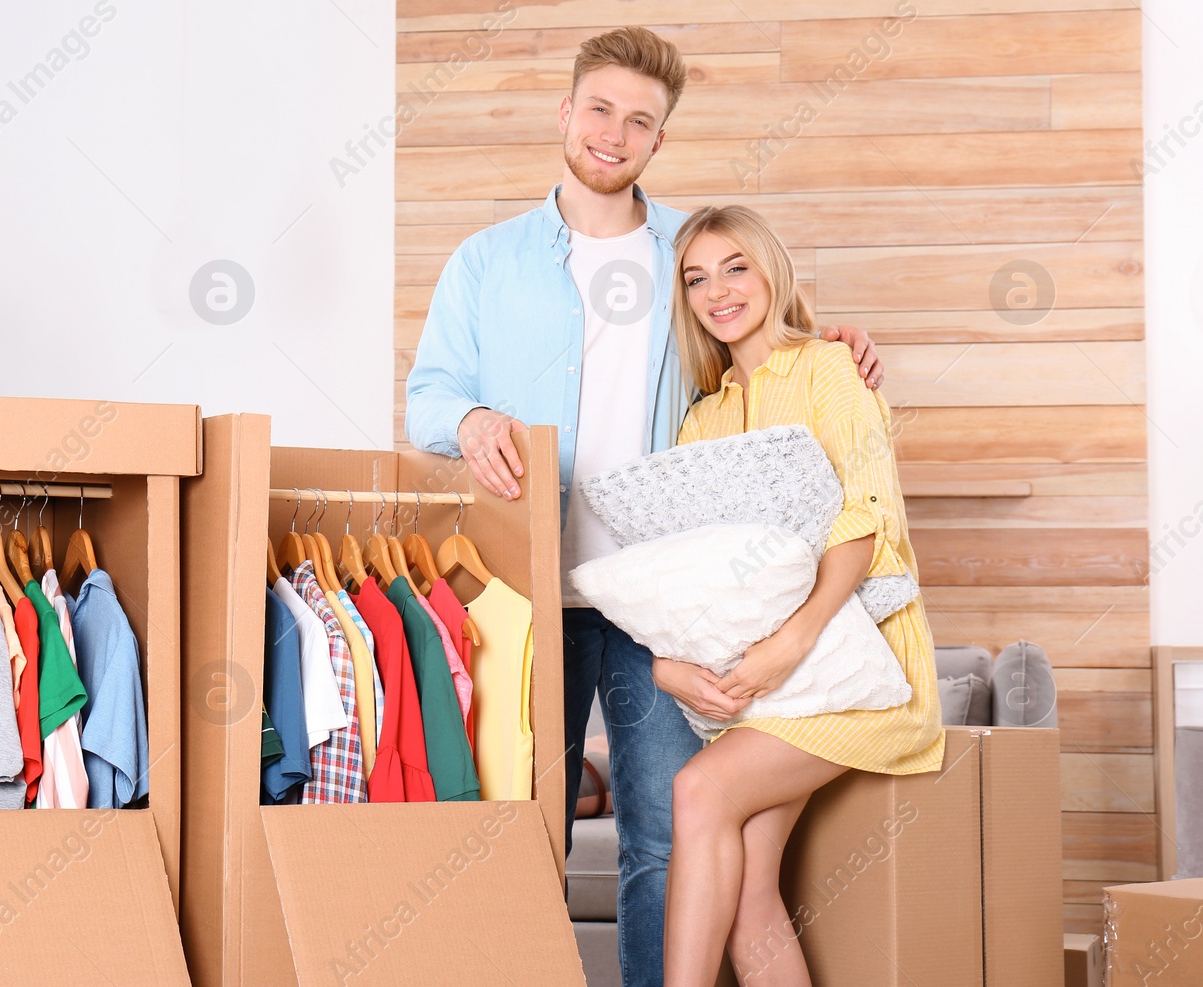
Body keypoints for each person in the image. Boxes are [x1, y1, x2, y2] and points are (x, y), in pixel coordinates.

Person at [403, 27, 886, 987]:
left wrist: (830, 342)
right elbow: (426, 396)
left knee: (663, 833)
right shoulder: (486, 261)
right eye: (600, 110)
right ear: (565, 113)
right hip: (526, 588)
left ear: (659, 141)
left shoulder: (688, 255)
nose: (614, 134)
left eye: (640, 121)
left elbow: (757, 337)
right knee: (512, 825)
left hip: (664, 601)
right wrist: (468, 419)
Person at [651, 204, 944, 986]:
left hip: (856, 676)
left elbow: (864, 520)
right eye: (696, 277)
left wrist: (790, 641)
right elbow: (689, 572)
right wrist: (664, 666)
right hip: (766, 694)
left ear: (771, 270)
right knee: (748, 892)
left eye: (736, 265)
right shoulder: (701, 420)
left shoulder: (828, 369)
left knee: (698, 786)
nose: (718, 289)